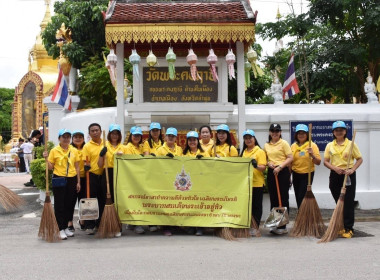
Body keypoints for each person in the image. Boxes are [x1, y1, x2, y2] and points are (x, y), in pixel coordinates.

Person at [324, 121, 363, 238]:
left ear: (345, 131)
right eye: (336, 130)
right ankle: (341, 225)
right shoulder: (329, 145)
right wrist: (335, 168)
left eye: (341, 130)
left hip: (348, 174)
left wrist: (353, 169)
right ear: (333, 132)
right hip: (335, 174)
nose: (339, 132)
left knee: (348, 202)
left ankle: (349, 228)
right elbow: (326, 161)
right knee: (339, 202)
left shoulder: (351, 144)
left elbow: (360, 159)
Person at [43, 129, 80, 240]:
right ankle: (60, 228)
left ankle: (66, 226)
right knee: (60, 204)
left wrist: (78, 181)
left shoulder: (74, 150)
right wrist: (46, 158)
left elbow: (77, 166)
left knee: (69, 204)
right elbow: (50, 167)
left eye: (68, 137)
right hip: (59, 178)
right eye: (64, 137)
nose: (66, 139)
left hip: (72, 178)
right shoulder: (54, 151)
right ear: (59, 138)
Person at [264, 123, 293, 235]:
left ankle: (282, 226)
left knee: (283, 198)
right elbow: (265, 158)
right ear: (270, 133)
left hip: (282, 172)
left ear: (280, 132)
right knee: (274, 198)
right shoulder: (267, 145)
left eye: (277, 131)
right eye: (273, 131)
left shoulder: (284, 143)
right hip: (272, 172)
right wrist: (268, 163)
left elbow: (290, 158)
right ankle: (275, 223)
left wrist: (280, 167)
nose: (275, 133)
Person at [98, 124, 127, 237]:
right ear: (109, 134)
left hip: (120, 173)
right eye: (113, 133)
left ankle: (118, 226)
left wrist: (122, 156)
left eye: (117, 133)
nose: (115, 135)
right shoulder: (104, 146)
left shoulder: (123, 147)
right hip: (107, 173)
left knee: (118, 200)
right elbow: (100, 165)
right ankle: (107, 225)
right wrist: (101, 155)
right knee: (106, 199)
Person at [156, 127, 183, 236]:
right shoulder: (160, 150)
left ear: (176, 138)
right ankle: (166, 226)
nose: (171, 138)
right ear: (165, 137)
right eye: (169, 136)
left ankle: (176, 225)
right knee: (166, 203)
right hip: (165, 180)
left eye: (173, 136)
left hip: (177, 180)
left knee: (177, 202)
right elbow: (156, 164)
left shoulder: (180, 149)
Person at [183, 131, 210, 236]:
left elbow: (210, 167)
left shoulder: (204, 153)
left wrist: (203, 161)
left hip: (201, 184)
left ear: (197, 141)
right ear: (187, 142)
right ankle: (190, 226)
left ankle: (200, 227)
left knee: (199, 206)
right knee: (189, 206)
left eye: (194, 140)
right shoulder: (184, 154)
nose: (192, 142)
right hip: (188, 184)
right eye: (190, 140)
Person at [240, 129, 267, 236]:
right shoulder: (244, 152)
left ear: (254, 139)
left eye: (250, 138)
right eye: (246, 138)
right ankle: (248, 226)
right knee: (248, 206)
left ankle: (255, 227)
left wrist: (256, 165)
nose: (248, 140)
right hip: (246, 184)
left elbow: (263, 167)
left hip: (257, 183)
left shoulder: (259, 151)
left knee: (256, 206)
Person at [290, 124, 321, 208]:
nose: (301, 135)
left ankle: (305, 215)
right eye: (299, 133)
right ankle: (301, 215)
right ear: (296, 135)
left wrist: (312, 155)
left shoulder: (312, 145)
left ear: (307, 134)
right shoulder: (293, 146)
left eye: (303, 133)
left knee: (302, 196)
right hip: (296, 173)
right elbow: (290, 162)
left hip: (307, 174)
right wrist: (289, 176)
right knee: (297, 195)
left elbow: (318, 162)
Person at [82, 123, 104, 235]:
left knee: (102, 200)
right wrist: (86, 165)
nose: (95, 132)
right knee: (91, 200)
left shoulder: (106, 144)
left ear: (100, 131)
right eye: (92, 131)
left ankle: (100, 223)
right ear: (89, 133)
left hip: (104, 175)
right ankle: (89, 225)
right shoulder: (87, 146)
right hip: (92, 175)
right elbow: (86, 161)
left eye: (97, 130)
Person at [69, 130, 86, 232]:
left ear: (83, 139)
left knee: (83, 200)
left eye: (80, 137)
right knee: (71, 200)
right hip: (73, 177)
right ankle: (69, 222)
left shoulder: (86, 148)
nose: (78, 139)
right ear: (72, 139)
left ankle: (82, 221)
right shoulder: (69, 149)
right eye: (76, 137)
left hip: (86, 177)